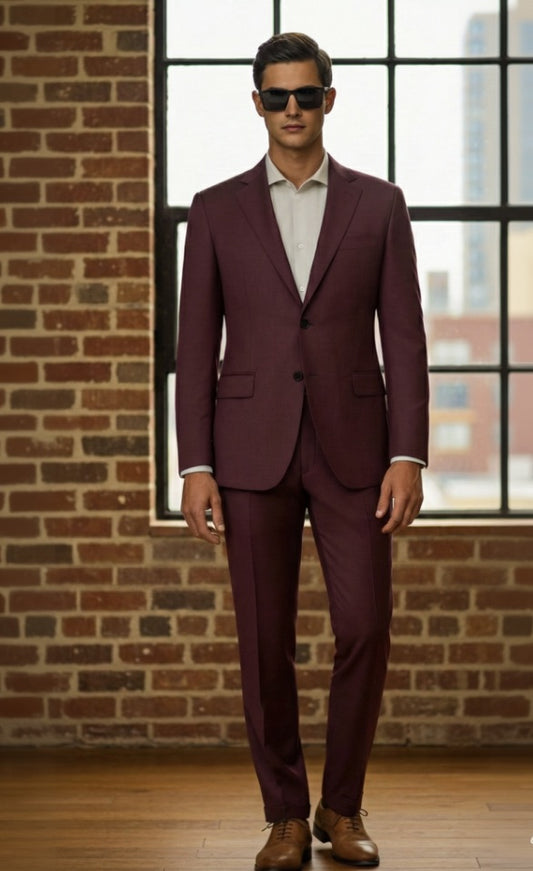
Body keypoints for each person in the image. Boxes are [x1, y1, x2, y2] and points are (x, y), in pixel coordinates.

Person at [176, 32, 429, 871]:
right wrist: (195, 463)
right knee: (263, 640)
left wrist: (409, 453)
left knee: (363, 627)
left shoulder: (377, 204)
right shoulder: (212, 209)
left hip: (357, 449)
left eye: (306, 95)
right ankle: (283, 812)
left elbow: (405, 336)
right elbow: (193, 343)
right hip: (248, 453)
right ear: (257, 103)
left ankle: (341, 807)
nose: (292, 109)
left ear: (329, 99)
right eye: (277, 96)